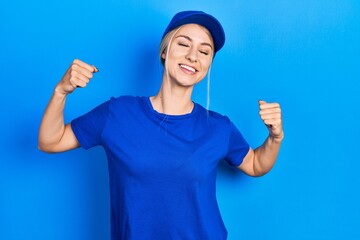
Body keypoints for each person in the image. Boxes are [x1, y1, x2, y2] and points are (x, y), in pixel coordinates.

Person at [38, 10, 284, 240]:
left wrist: (275, 138)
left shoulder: (218, 127)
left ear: (207, 66)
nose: (192, 56)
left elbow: (255, 164)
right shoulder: (118, 113)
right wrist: (61, 92)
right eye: (183, 44)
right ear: (164, 51)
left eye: (204, 51)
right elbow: (50, 141)